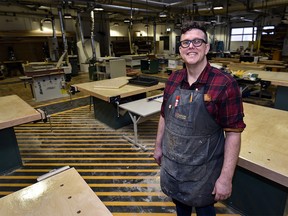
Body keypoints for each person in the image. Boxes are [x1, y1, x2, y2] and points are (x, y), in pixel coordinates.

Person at [153, 21, 246, 216]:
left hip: (204, 173)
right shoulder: (173, 80)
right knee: (181, 207)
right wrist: (158, 146)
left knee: (204, 211)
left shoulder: (224, 84)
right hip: (174, 167)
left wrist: (226, 178)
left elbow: (233, 133)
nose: (191, 47)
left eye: (197, 41)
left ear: (207, 47)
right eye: (186, 43)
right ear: (180, 49)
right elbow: (164, 116)